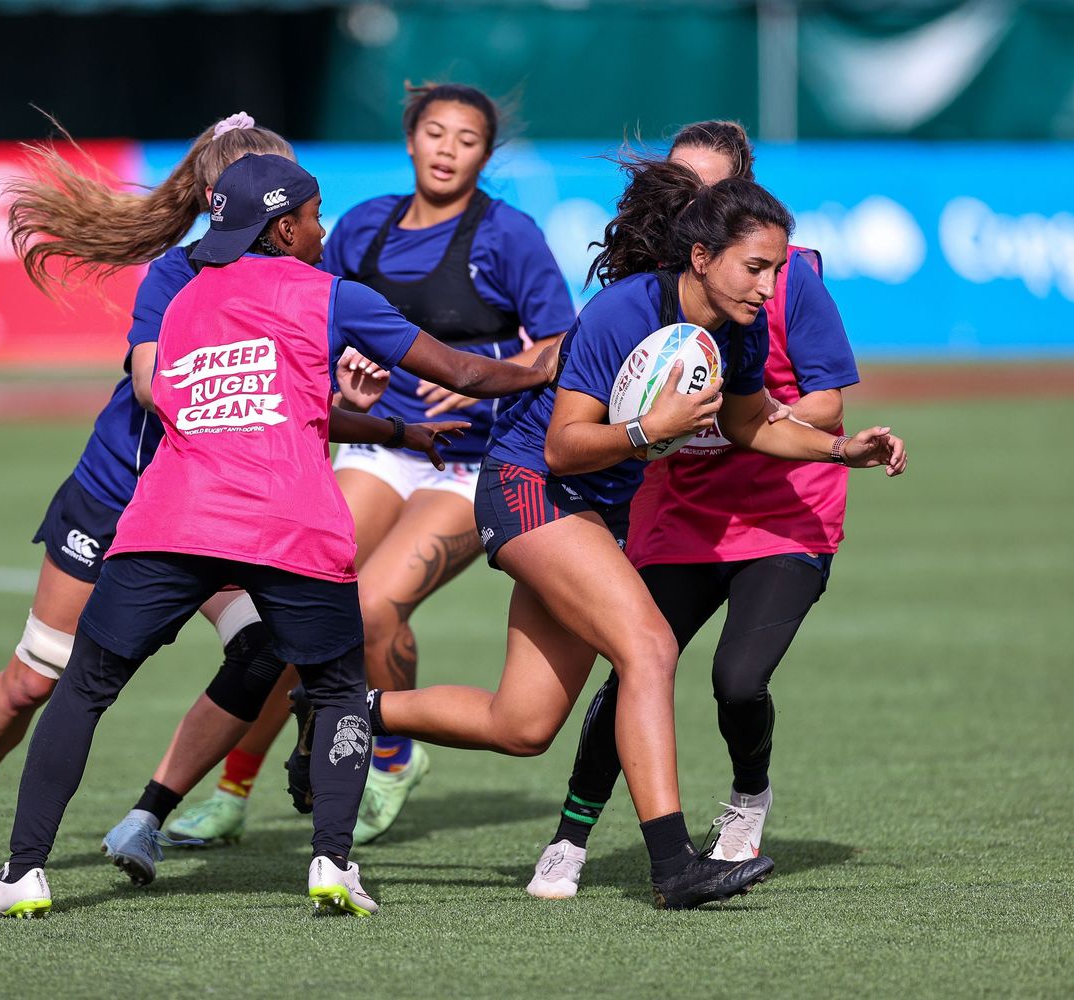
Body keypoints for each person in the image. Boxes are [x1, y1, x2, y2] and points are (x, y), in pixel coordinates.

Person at [0, 152, 559, 918]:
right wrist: (546, 366)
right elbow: (464, 374)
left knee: (84, 688)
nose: (323, 230)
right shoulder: (330, 294)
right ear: (283, 227)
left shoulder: (184, 300)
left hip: (170, 521)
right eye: (313, 216)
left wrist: (392, 430)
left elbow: (225, 405)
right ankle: (332, 864)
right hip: (289, 527)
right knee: (339, 695)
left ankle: (22, 874)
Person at [292, 168, 906, 909]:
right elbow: (561, 447)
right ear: (702, 257)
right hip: (528, 485)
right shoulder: (624, 311)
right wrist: (653, 428)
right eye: (756, 267)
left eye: (777, 269)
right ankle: (674, 866)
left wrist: (841, 449)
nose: (769, 287)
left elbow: (750, 424)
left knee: (521, 725)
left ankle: (343, 706)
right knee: (648, 647)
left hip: (594, 512)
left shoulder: (737, 330)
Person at [0, 113, 379, 880]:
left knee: (263, 650)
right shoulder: (178, 276)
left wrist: (346, 395)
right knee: (38, 674)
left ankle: (148, 814)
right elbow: (156, 386)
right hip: (121, 495)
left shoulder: (302, 273)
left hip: (214, 506)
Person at [167, 82, 575, 848]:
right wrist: (340, 377)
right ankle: (231, 792)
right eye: (435, 132)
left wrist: (484, 365)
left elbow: (561, 345)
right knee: (293, 605)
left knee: (373, 608)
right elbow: (298, 313)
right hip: (382, 445)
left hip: (470, 461)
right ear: (411, 139)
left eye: (467, 139)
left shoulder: (509, 234)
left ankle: (391, 755)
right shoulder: (361, 226)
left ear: (486, 154)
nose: (448, 149)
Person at [527, 121, 864, 898]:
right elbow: (593, 404)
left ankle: (747, 799)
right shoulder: (646, 291)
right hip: (677, 513)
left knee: (737, 681)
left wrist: (783, 430)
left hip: (782, 514)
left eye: (710, 189)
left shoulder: (779, 280)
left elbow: (819, 403)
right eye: (681, 188)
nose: (693, 205)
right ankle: (570, 838)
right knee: (636, 664)